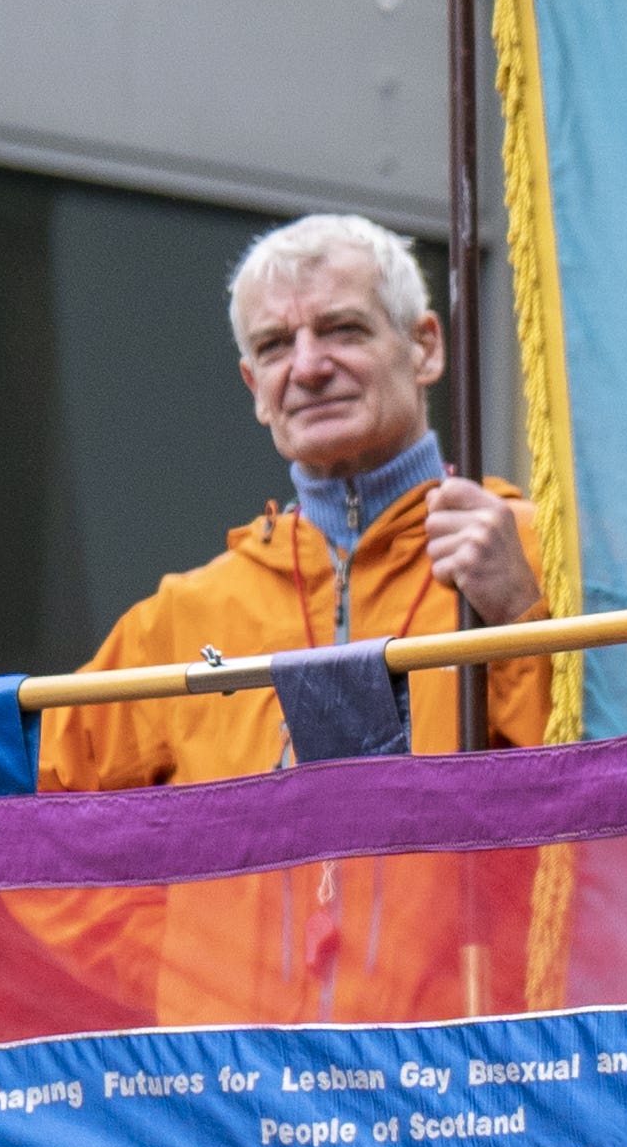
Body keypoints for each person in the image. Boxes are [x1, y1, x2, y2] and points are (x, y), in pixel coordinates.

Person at [42, 211, 558, 790]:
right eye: (275, 346)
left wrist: (521, 616)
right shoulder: (178, 623)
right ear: (254, 386)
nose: (308, 368)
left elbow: (621, 819)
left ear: (425, 348)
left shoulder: (543, 556)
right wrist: (187, 888)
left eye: (343, 329)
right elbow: (34, 828)